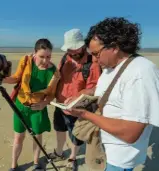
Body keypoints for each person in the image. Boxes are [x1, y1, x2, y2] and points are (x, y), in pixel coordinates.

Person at [64, 17, 159, 171]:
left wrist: (84, 114)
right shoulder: (112, 67)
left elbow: (130, 132)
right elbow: (109, 91)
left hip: (119, 158)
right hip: (104, 150)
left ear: (115, 47)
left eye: (97, 54)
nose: (95, 60)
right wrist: (86, 93)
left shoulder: (141, 73)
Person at [3, 38, 61, 171]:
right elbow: (16, 78)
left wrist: (44, 104)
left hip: (38, 108)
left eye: (48, 56)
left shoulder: (54, 72)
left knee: (37, 137)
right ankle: (13, 165)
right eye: (42, 56)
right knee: (18, 137)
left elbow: (52, 94)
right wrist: (3, 79)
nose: (45, 61)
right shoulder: (26, 61)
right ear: (34, 53)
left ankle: (36, 163)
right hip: (21, 105)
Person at [48, 29, 102, 170]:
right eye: (69, 49)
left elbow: (94, 88)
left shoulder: (93, 63)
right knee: (59, 129)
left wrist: (76, 97)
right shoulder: (66, 58)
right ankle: (59, 152)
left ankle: (72, 157)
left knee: (75, 135)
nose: (72, 52)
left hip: (76, 108)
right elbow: (58, 77)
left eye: (74, 49)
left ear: (82, 46)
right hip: (60, 103)